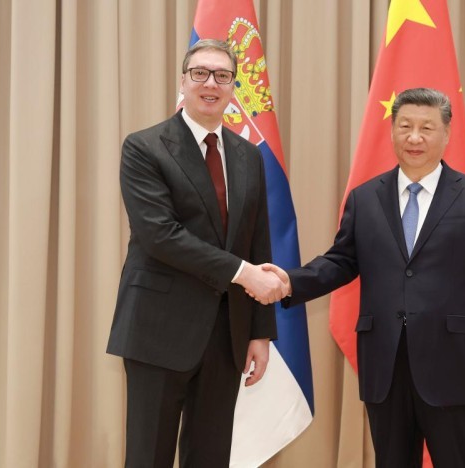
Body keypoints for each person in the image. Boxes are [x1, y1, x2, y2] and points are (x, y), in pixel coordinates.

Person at [264, 88, 465, 467]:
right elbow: (341, 261)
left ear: (447, 133)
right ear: (392, 131)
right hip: (385, 364)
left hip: (454, 364)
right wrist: (290, 282)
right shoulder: (365, 198)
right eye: (405, 126)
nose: (415, 137)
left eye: (426, 128)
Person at [106, 39, 288, 467]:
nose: (211, 83)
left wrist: (260, 332)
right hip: (157, 329)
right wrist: (243, 273)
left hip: (226, 335)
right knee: (148, 457)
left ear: (233, 88)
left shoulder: (248, 155)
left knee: (210, 457)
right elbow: (160, 236)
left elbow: (257, 242)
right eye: (201, 73)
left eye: (222, 76)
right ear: (183, 81)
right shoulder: (144, 147)